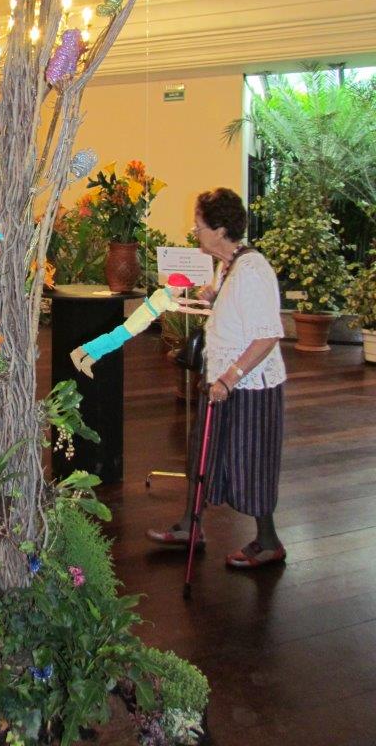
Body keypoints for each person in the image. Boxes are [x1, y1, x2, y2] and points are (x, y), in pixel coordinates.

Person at [146, 187, 287, 568]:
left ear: (221, 230)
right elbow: (223, 299)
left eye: (200, 225)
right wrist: (205, 295)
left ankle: (269, 542)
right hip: (221, 380)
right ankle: (190, 526)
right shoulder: (229, 265)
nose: (195, 231)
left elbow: (267, 335)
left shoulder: (253, 271)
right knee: (203, 454)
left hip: (249, 385)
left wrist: (230, 378)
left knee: (251, 460)